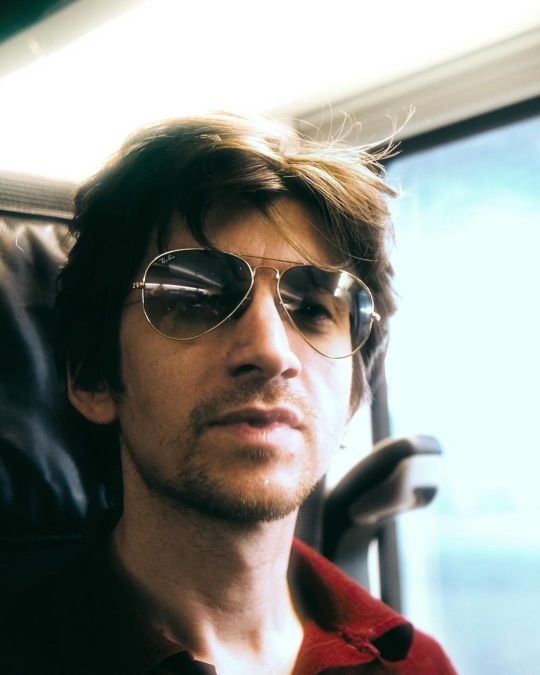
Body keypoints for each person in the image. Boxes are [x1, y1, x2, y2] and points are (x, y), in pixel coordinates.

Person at [1, 113, 456, 674]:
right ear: (94, 377)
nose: (271, 351)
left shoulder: (418, 664)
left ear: (352, 398)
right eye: (196, 297)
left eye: (314, 310)